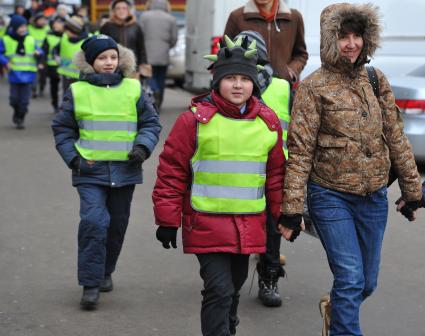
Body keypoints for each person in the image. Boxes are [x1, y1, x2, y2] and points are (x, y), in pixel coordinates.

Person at [278, 3, 423, 336]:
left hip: (373, 199)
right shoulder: (313, 87)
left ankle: (336, 310)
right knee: (350, 278)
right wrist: (291, 210)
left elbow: (396, 138)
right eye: (343, 37)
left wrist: (413, 193)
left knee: (365, 284)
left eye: (357, 36)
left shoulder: (375, 79)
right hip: (330, 196)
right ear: (331, 40)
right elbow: (300, 151)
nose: (351, 44)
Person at [152, 35, 285, 336]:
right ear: (217, 82)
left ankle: (228, 328)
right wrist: (167, 220)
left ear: (255, 83)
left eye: (244, 79)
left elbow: (276, 175)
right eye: (230, 79)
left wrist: (283, 215)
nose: (238, 85)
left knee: (234, 288)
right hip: (206, 222)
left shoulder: (268, 123)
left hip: (249, 223)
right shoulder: (194, 121)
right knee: (219, 289)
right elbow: (172, 172)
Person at [51, 34, 161, 310]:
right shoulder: (77, 91)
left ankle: (105, 271)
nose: (109, 62)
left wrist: (142, 148)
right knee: (93, 222)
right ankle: (90, 284)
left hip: (126, 171)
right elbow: (63, 129)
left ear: (120, 58)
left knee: (116, 226)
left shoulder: (134, 89)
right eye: (102, 58)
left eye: (113, 57)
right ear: (91, 62)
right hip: (89, 170)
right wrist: (73, 159)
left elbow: (150, 123)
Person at [231, 31, 290, 307]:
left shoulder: (282, 87)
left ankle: (269, 277)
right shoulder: (228, 85)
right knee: (237, 223)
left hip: (277, 168)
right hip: (239, 170)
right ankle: (229, 277)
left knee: (273, 226)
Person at [224, 0, 308, 84]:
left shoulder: (294, 17)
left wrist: (290, 72)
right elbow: (225, 54)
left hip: (282, 87)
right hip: (248, 89)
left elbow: (300, 54)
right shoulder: (237, 17)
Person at [0, 14, 42, 129]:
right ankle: (16, 111)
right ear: (13, 27)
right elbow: (0, 53)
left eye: (25, 26)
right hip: (14, 74)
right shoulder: (5, 39)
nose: (23, 29)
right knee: (13, 100)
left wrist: (39, 53)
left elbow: (39, 50)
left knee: (24, 101)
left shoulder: (30, 39)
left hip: (28, 74)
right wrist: (5, 62)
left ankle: (20, 118)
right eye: (20, 27)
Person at [139, 0, 177, 110]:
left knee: (150, 76)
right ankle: (159, 102)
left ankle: (154, 92)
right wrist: (166, 46)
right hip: (164, 54)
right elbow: (174, 38)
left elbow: (140, 34)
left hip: (147, 53)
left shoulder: (144, 16)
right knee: (161, 78)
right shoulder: (171, 18)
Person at [100, 0, 151, 80]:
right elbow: (101, 48)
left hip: (133, 69)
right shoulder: (107, 27)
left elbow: (141, 49)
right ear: (113, 11)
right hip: (113, 69)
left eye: (124, 8)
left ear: (129, 10)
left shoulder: (136, 27)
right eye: (118, 8)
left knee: (132, 92)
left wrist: (144, 67)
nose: (121, 11)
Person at [56, 15, 88, 92]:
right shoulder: (64, 38)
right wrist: (56, 57)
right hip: (66, 76)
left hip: (82, 78)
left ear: (73, 30)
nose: (65, 31)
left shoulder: (87, 41)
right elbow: (56, 49)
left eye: (67, 29)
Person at [42, 16, 64, 113]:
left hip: (65, 67)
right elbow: (44, 51)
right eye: (56, 23)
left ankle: (63, 105)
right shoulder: (49, 36)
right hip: (52, 65)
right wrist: (43, 63)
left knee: (64, 87)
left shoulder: (67, 36)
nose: (57, 25)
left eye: (60, 23)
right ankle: (55, 103)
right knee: (54, 86)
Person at [28, 12, 48, 97]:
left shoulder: (47, 29)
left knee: (43, 73)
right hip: (33, 54)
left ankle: (42, 87)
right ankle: (34, 89)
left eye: (43, 20)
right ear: (36, 21)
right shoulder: (29, 28)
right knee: (34, 72)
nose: (42, 21)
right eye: (40, 20)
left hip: (43, 55)